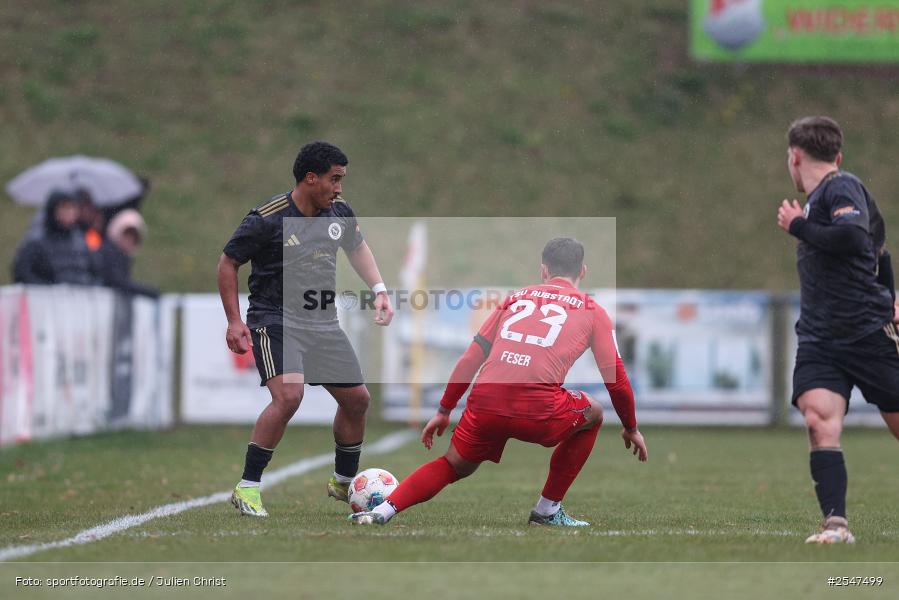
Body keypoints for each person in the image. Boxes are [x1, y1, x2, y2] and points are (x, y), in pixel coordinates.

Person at [351, 238, 647, 527]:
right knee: (593, 413)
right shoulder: (593, 311)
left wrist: (444, 410)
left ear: (544, 270)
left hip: (486, 400)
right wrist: (631, 428)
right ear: (582, 271)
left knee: (454, 464)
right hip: (538, 408)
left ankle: (383, 511)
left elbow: (471, 358)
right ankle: (547, 510)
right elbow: (616, 380)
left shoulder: (515, 299)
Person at [218, 141, 394, 517]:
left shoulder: (339, 213)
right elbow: (228, 262)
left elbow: (357, 247)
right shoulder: (267, 218)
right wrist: (234, 320)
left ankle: (343, 481)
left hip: (322, 323)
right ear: (311, 179)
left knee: (358, 400)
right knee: (289, 397)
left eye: (342, 180)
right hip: (275, 320)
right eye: (335, 179)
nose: (339, 188)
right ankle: (248, 487)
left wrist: (379, 290)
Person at [776, 116, 899, 544]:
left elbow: (852, 239)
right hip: (820, 337)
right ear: (837, 153)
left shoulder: (840, 187)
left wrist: (798, 227)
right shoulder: (821, 199)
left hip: (865, 331)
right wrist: (892, 293)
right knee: (818, 420)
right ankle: (836, 526)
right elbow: (880, 254)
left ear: (795, 156)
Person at [13, 190, 99, 285]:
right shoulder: (37, 242)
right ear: (53, 210)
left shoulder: (83, 242)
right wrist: (46, 288)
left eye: (73, 207)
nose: (69, 212)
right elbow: (22, 273)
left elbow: (96, 272)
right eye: (64, 207)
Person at [97, 209, 159, 298]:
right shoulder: (109, 253)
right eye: (126, 236)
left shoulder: (122, 256)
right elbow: (119, 281)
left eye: (132, 239)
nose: (128, 242)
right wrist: (148, 291)